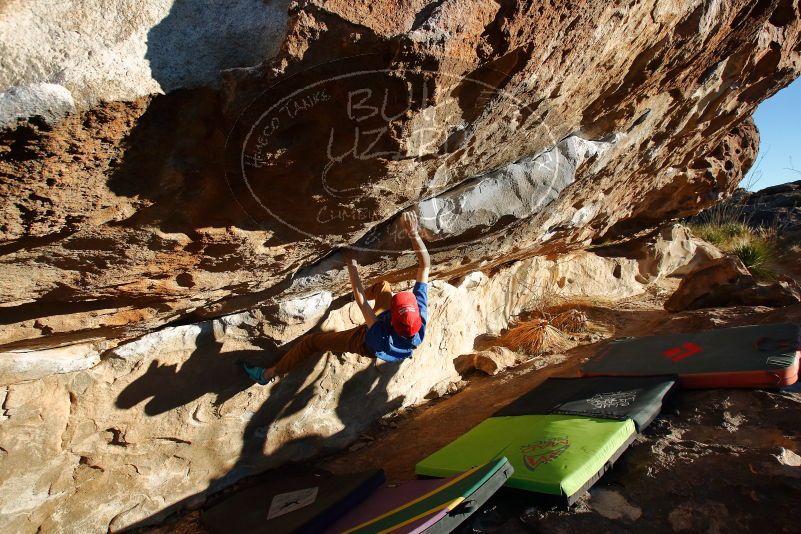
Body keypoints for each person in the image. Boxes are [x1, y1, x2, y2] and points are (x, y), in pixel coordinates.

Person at [243, 211, 431, 384]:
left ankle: (269, 374)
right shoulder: (419, 317)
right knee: (384, 286)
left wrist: (351, 263)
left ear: (391, 319)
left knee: (312, 342)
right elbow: (425, 266)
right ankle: (351, 299)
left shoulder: (378, 335)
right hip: (391, 333)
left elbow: (362, 301)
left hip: (366, 343)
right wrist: (413, 233)